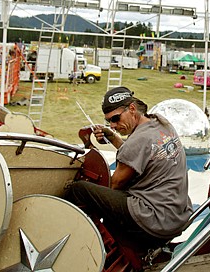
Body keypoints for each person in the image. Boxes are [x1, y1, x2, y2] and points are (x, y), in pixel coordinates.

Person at [64, 86, 192, 253]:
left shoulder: (136, 142)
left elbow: (114, 185)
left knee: (79, 189)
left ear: (132, 108)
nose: (113, 125)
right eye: (108, 121)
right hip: (177, 215)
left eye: (116, 119)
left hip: (154, 220)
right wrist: (112, 136)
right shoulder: (161, 123)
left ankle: (77, 244)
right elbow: (139, 152)